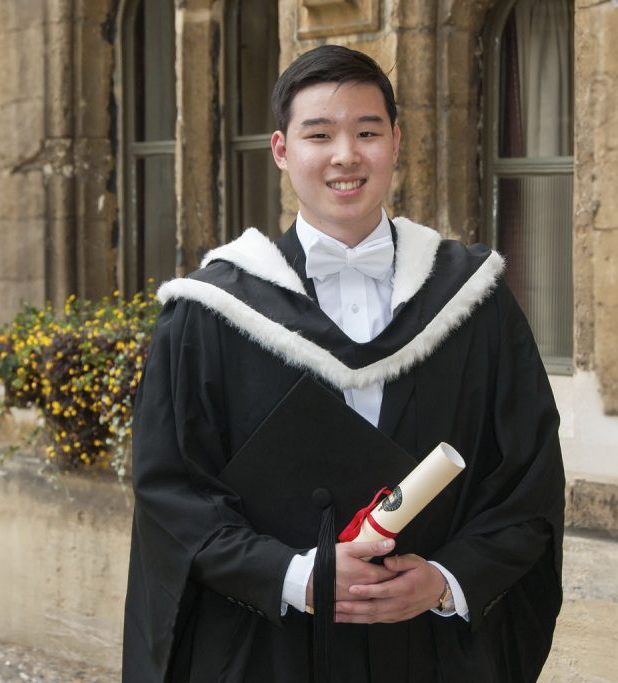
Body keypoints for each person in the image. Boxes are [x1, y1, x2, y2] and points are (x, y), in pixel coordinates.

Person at [122, 45, 565, 682]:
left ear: (397, 140)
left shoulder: (474, 300)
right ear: (280, 150)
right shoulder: (210, 310)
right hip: (268, 649)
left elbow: (529, 481)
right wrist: (295, 576)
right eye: (319, 135)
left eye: (367, 132)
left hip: (428, 653)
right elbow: (172, 491)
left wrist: (446, 579)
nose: (346, 156)